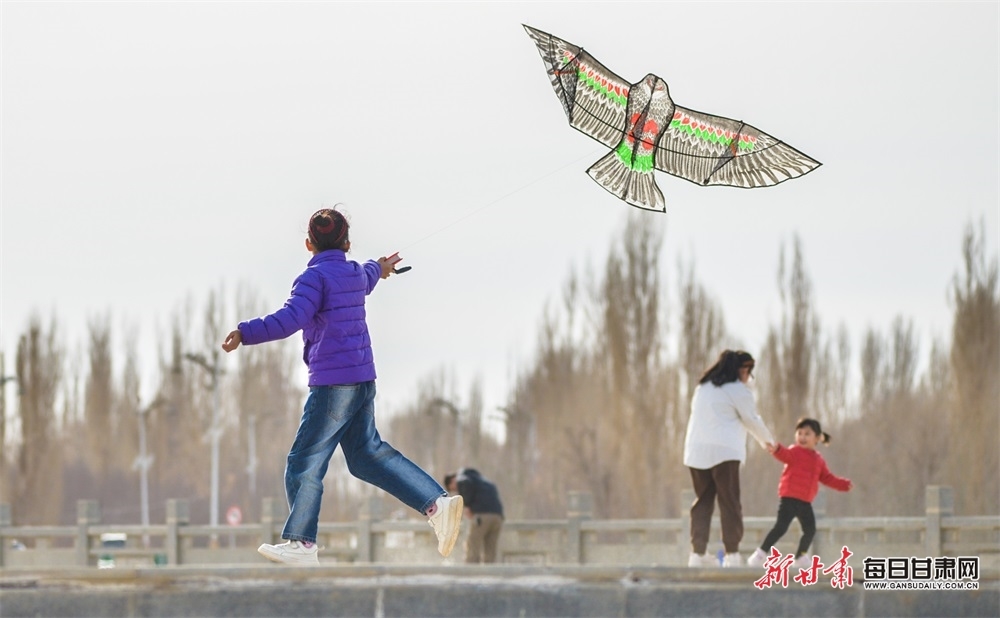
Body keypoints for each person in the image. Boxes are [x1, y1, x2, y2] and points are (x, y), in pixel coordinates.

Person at [221, 208, 463, 564]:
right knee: (365, 456)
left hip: (334, 385)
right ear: (347, 243)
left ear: (308, 244)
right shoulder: (353, 273)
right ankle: (437, 503)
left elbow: (290, 319)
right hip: (363, 380)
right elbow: (368, 273)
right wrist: (381, 268)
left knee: (303, 462)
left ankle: (302, 543)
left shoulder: (313, 279)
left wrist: (245, 332)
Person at [683, 349, 774, 568]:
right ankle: (732, 555)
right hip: (725, 452)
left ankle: (697, 555)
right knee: (729, 502)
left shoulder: (702, 388)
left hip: (696, 451)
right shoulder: (737, 390)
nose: (748, 377)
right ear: (741, 369)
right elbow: (751, 419)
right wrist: (769, 442)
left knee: (702, 502)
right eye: (748, 371)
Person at [747, 418, 853, 569]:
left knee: (810, 530)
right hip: (789, 499)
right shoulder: (795, 452)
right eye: (799, 433)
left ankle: (800, 556)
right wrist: (777, 449)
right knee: (781, 528)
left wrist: (843, 485)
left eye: (807, 434)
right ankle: (760, 553)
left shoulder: (818, 460)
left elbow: (827, 478)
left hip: (805, 502)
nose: (802, 437)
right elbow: (784, 454)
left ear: (816, 438)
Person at [443, 469, 504, 563]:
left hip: (482, 516)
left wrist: (467, 506)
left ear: (452, 480)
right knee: (490, 549)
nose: (456, 491)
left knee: (472, 545)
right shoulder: (481, 480)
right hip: (497, 516)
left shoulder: (461, 478)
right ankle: (490, 573)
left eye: (453, 489)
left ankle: (470, 573)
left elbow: (465, 483)